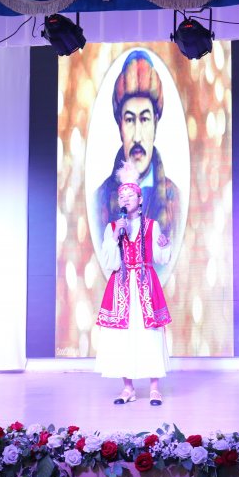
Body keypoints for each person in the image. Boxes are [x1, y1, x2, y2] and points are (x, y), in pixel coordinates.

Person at [92, 50, 180, 277]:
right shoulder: (99, 199)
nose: (138, 136)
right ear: (119, 126)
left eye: (145, 119)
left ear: (156, 123)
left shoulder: (175, 198)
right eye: (130, 120)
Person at [94, 162, 172, 405]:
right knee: (123, 337)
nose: (126, 200)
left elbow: (159, 258)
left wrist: (163, 245)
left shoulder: (152, 225)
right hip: (122, 286)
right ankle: (127, 388)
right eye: (122, 197)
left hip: (146, 285)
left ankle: (155, 388)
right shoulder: (113, 227)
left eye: (130, 196)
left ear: (140, 199)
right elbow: (110, 261)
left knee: (150, 335)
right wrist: (115, 236)